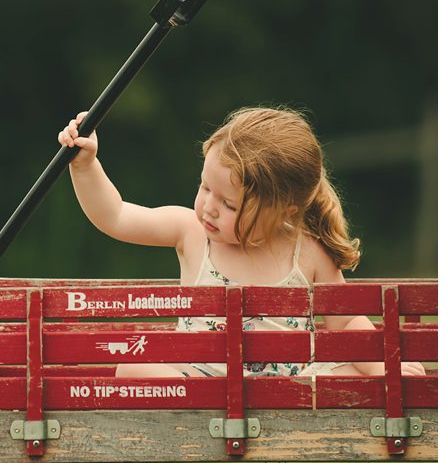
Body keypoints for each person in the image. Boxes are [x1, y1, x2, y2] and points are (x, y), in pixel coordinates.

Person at [59, 105, 419, 378]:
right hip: (202, 380)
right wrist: (85, 166)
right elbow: (116, 216)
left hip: (286, 391)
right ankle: (212, 407)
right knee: (134, 369)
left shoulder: (306, 252)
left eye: (228, 204)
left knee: (356, 374)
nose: (209, 208)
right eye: (204, 187)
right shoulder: (191, 231)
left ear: (284, 211)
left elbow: (346, 323)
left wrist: (386, 366)